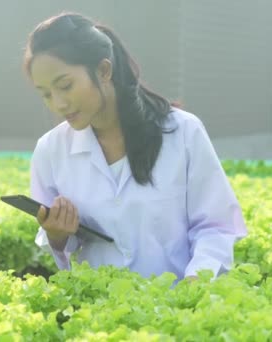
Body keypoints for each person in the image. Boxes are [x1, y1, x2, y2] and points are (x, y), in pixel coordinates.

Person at [23, 12, 247, 283]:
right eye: (46, 94)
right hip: (98, 317)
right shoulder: (50, 150)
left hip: (177, 311)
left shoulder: (182, 132)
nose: (58, 104)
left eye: (65, 86)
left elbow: (216, 227)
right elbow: (59, 248)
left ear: (104, 71)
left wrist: (195, 284)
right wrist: (56, 236)